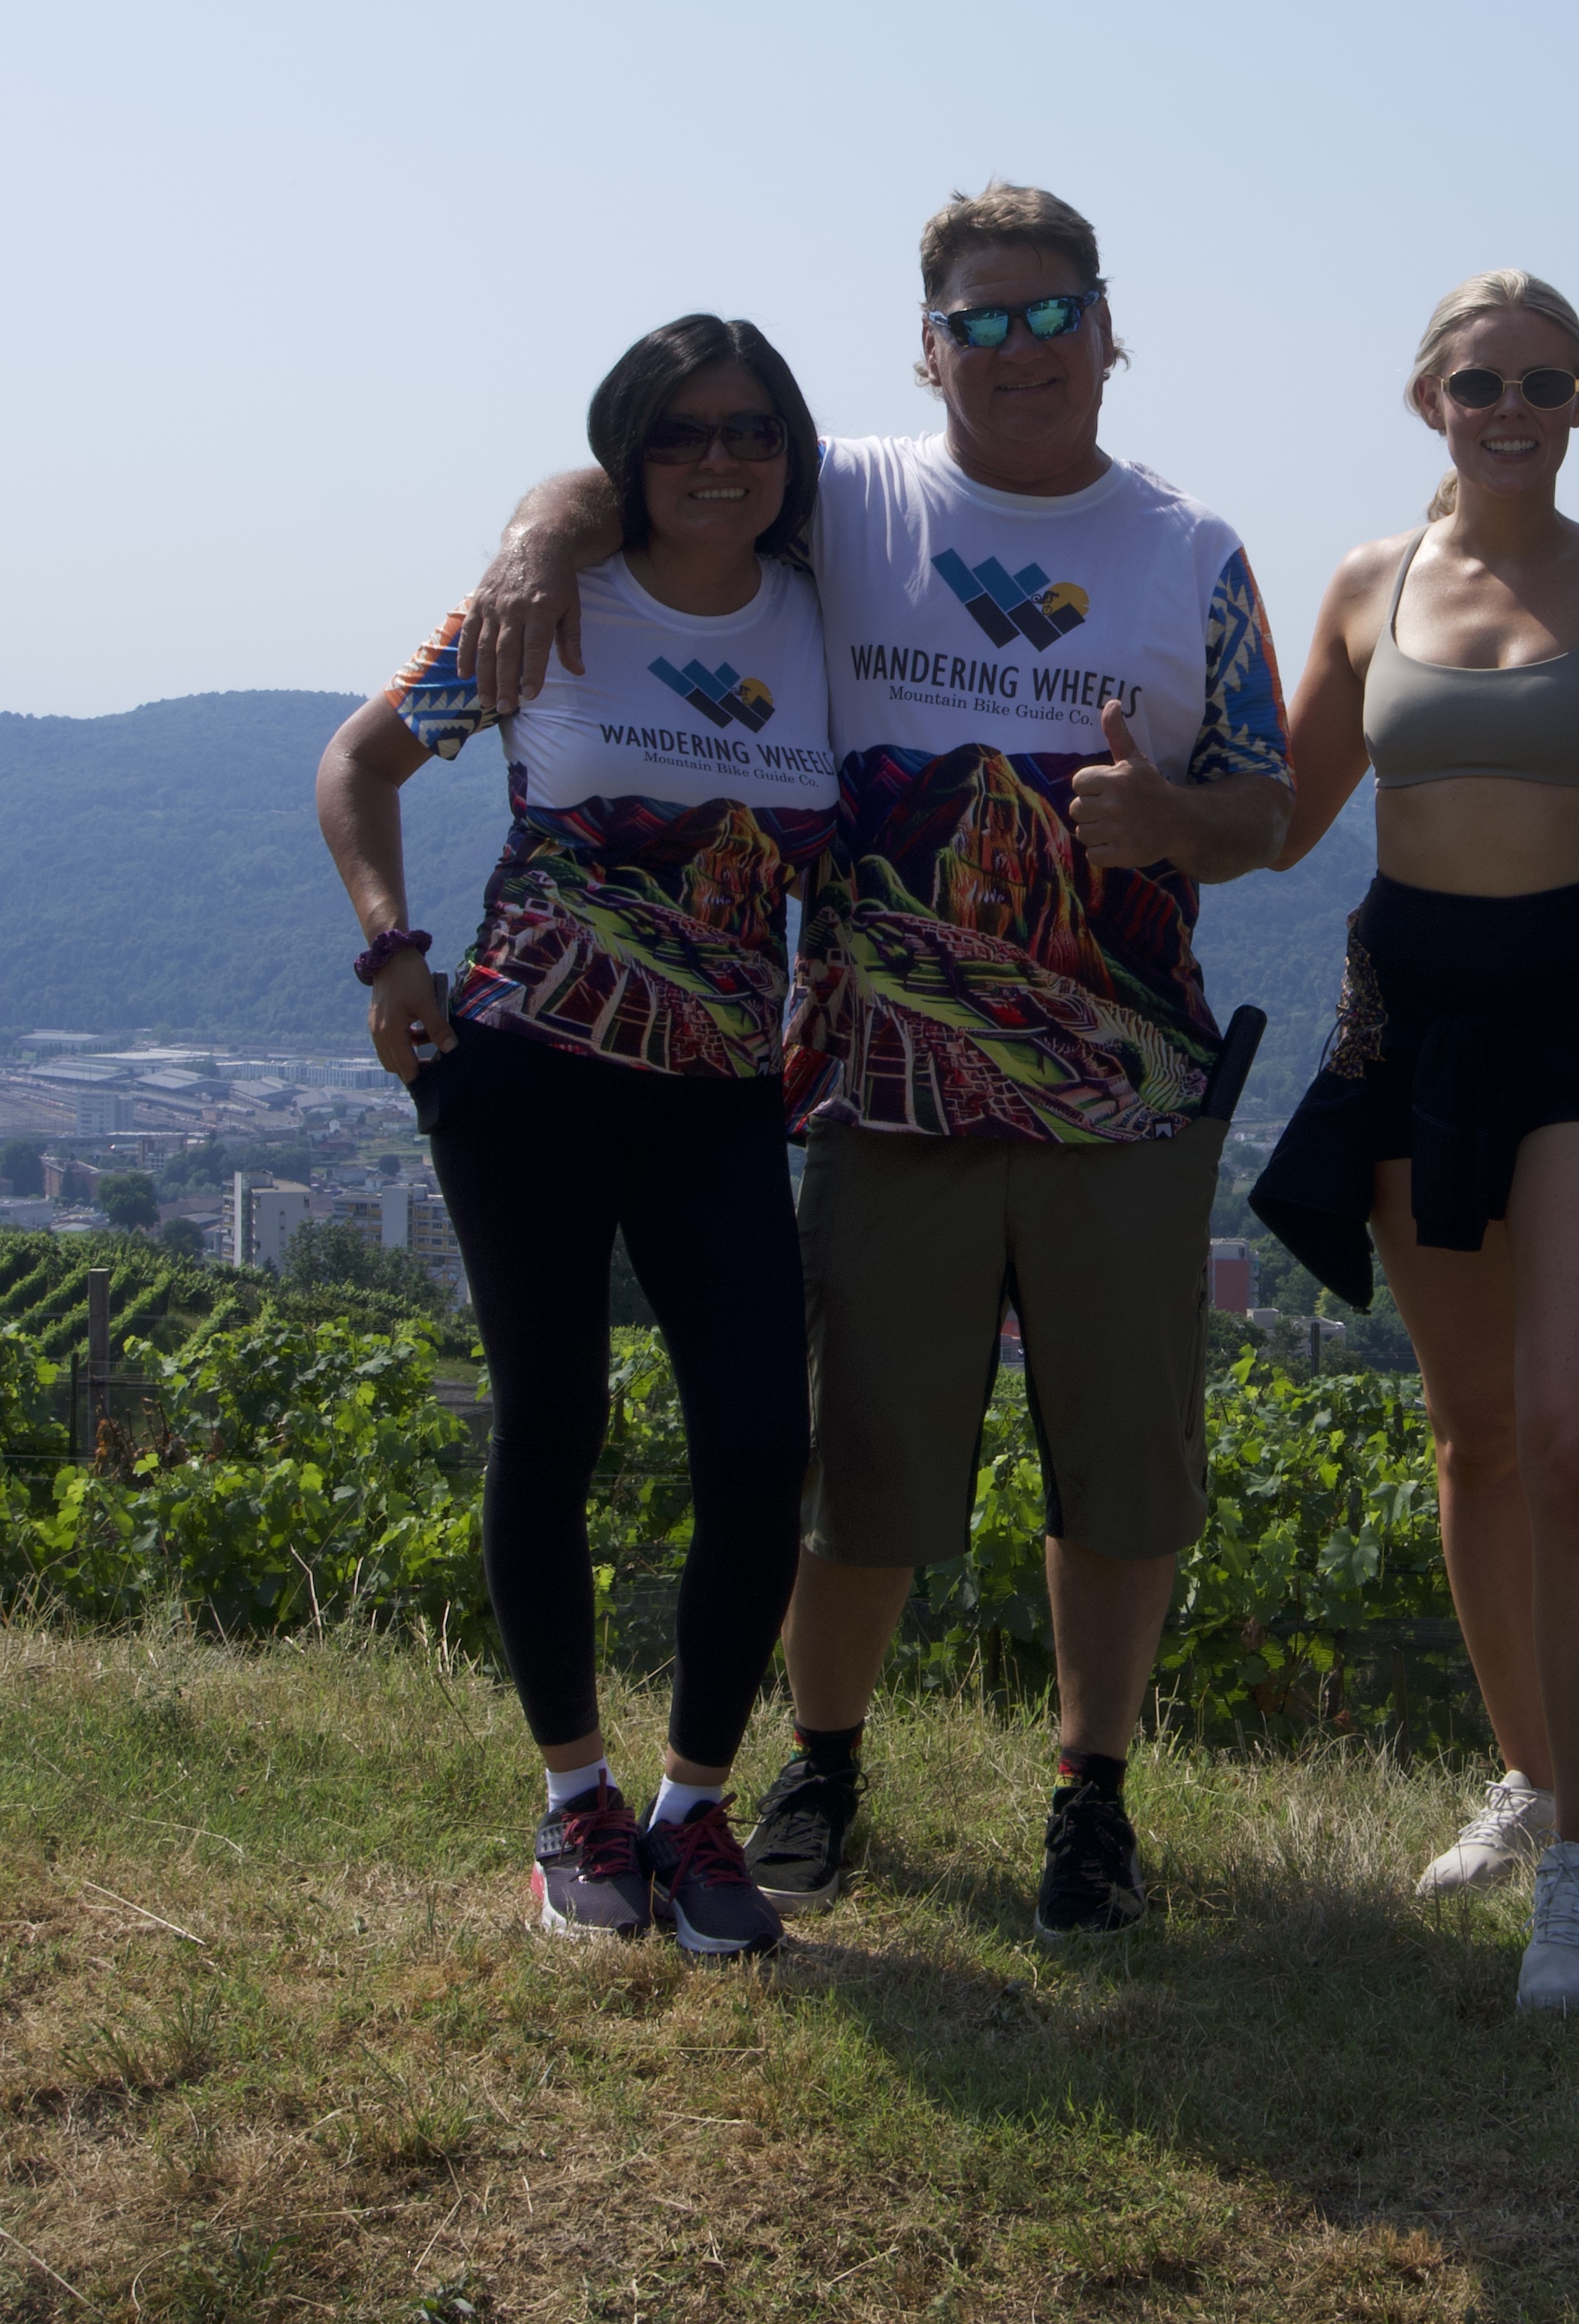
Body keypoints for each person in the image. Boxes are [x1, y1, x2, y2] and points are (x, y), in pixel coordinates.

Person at [452, 182, 1292, 1939]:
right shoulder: (852, 501)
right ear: (927, 346)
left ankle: (1093, 1796)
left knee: (1118, 1469)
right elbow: (663, 468)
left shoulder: (1195, 552)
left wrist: (1177, 818)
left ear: (1109, 324)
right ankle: (821, 1763)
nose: (1019, 346)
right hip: (875, 1078)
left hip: (1123, 1089)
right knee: (858, 1456)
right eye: (978, 319)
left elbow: (1273, 802)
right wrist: (541, 529)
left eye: (1051, 309)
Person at [312, 315, 835, 1959]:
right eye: (678, 430)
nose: (717, 456)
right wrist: (391, 946)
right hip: (528, 1062)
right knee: (553, 1420)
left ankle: (691, 1806)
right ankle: (572, 1799)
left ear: (787, 450)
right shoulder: (551, 603)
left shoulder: (827, 617)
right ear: (628, 452)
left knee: (761, 1441)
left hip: (723, 1091)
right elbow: (355, 761)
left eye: (749, 427)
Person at [1249, 270, 1579, 2009]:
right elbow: (1285, 823)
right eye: (1476, 380)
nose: (1509, 406)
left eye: (1544, 380)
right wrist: (1127, 794)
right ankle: (1527, 1776)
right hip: (1411, 1013)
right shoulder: (1368, 583)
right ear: (1428, 398)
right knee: (1476, 1437)